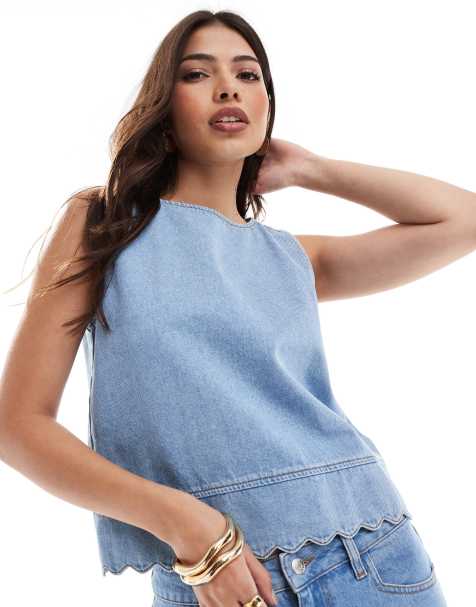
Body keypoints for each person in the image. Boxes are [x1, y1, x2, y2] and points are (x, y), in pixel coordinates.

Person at [4, 8, 475, 606]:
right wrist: (191, 526)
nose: (228, 87)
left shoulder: (294, 259)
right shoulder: (103, 227)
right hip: (209, 575)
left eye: (248, 75)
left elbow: (464, 219)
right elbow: (18, 427)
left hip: (369, 558)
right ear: (163, 107)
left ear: (266, 107)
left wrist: (309, 169)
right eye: (197, 74)